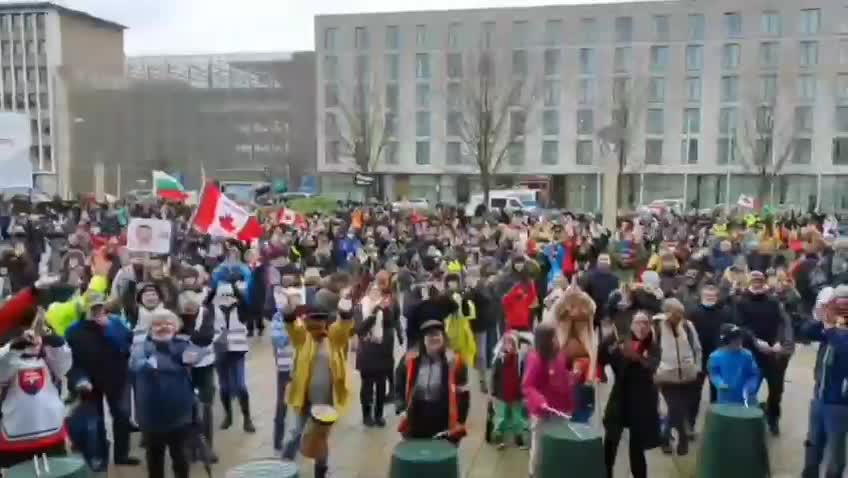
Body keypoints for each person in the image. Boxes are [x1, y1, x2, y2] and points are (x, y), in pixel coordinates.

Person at [131, 309, 213, 478]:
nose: (163, 327)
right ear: (150, 328)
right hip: (151, 418)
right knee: (155, 461)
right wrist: (179, 364)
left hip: (180, 416)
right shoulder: (141, 349)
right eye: (158, 324)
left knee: (181, 459)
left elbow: (200, 359)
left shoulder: (183, 346)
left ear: (176, 327)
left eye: (168, 323)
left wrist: (199, 348)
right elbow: (139, 366)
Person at [281, 295, 356, 478]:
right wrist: (289, 313)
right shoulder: (303, 338)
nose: (317, 323)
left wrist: (346, 312)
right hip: (304, 398)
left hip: (325, 402)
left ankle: (320, 473)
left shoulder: (333, 338)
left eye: (321, 319)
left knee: (320, 439)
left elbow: (343, 327)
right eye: (313, 318)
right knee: (296, 433)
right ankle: (284, 466)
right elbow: (292, 328)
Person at [65, 293, 139, 466]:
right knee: (95, 419)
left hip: (116, 378)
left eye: (99, 307)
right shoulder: (74, 331)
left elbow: (127, 344)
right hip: (89, 382)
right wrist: (79, 380)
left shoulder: (115, 323)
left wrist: (109, 328)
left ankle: (122, 455)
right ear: (84, 309)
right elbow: (70, 361)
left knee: (121, 416)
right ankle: (99, 457)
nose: (96, 311)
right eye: (92, 308)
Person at [0, 327, 72, 468]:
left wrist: (54, 338)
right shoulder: (8, 357)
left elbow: (64, 364)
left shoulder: (48, 359)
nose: (34, 339)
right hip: (13, 443)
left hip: (52, 437)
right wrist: (14, 347)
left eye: (37, 334)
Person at [601, 311, 662, 478]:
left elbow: (651, 367)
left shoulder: (653, 346)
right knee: (611, 440)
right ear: (632, 325)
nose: (642, 326)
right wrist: (611, 345)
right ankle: (606, 473)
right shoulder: (621, 341)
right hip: (620, 396)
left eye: (645, 323)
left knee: (637, 447)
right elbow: (604, 357)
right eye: (638, 322)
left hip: (641, 401)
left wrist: (636, 356)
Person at [734, 270, 795, 435]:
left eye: (760, 280)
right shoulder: (741, 302)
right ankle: (746, 419)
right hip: (752, 353)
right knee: (749, 389)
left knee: (776, 391)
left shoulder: (773, 301)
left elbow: (782, 323)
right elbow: (741, 326)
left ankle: (773, 418)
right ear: (749, 282)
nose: (757, 283)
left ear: (764, 282)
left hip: (774, 354)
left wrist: (777, 341)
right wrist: (755, 341)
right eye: (754, 280)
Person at [395, 319, 470, 443]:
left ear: (443, 337)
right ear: (423, 339)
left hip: (443, 417)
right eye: (429, 335)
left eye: (437, 334)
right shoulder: (409, 359)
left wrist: (460, 421)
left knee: (441, 456)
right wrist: (401, 407)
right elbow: (399, 384)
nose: (434, 338)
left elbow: (463, 393)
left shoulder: (455, 362)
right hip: (416, 416)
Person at [801, 285, 848, 478]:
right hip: (819, 398)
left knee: (835, 452)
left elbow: (843, 349)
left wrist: (830, 328)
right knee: (813, 445)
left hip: (839, 402)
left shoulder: (837, 331)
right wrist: (819, 316)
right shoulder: (831, 325)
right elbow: (806, 332)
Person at [523, 321, 576, 478]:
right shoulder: (536, 359)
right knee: (539, 448)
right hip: (544, 414)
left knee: (559, 444)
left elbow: (563, 375)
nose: (557, 340)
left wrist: (572, 378)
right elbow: (528, 386)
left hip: (562, 409)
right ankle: (534, 475)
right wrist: (540, 401)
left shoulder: (559, 354)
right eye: (554, 337)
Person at [653, 298, 701, 455]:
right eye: (676, 313)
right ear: (667, 313)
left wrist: (697, 368)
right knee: (674, 408)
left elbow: (696, 348)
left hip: (687, 375)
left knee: (679, 410)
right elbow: (651, 350)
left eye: (681, 312)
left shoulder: (688, 326)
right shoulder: (657, 327)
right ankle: (682, 436)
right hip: (666, 375)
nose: (679, 316)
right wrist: (654, 370)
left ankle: (665, 436)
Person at [355, 282, 402, 427]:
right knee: (367, 386)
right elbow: (360, 329)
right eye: (373, 292)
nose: (375, 295)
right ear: (367, 293)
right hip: (367, 352)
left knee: (381, 385)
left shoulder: (384, 308)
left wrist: (387, 310)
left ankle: (379, 415)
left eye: (378, 292)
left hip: (383, 352)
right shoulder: (360, 307)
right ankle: (366, 415)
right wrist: (375, 312)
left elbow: (391, 323)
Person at [685, 283, 733, 425]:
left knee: (717, 392)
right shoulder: (693, 312)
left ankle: (715, 423)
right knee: (694, 393)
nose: (710, 298)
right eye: (707, 295)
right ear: (701, 296)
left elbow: (732, 331)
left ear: (717, 297)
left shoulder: (726, 312)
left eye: (712, 296)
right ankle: (690, 423)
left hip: (719, 357)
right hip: (698, 357)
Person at [211, 282, 255, 433]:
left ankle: (247, 418)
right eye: (222, 296)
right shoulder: (211, 310)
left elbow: (249, 308)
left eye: (229, 295)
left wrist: (236, 290)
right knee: (224, 387)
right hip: (220, 352)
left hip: (237, 352)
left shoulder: (241, 309)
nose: (226, 299)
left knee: (241, 386)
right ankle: (228, 416)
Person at [489, 331, 528, 449]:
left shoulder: (520, 359)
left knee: (518, 418)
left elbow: (524, 375)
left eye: (512, 343)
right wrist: (492, 391)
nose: (509, 346)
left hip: (517, 394)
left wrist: (525, 391)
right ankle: (500, 437)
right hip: (502, 394)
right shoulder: (499, 359)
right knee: (501, 417)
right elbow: (494, 376)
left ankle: (518, 437)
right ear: (503, 345)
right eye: (507, 343)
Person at [707, 324, 761, 405]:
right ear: (726, 341)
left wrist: (751, 386)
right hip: (725, 400)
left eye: (740, 337)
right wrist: (719, 384)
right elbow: (714, 374)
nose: (739, 341)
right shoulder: (715, 357)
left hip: (747, 399)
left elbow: (754, 374)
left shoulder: (747, 355)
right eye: (734, 339)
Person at [270, 286, 295, 450]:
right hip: (285, 366)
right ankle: (278, 440)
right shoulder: (278, 317)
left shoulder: (303, 316)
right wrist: (292, 329)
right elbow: (279, 341)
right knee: (282, 403)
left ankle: (298, 439)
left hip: (301, 364)